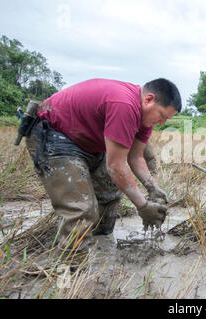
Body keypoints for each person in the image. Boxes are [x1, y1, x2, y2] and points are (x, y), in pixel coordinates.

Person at [25, 78, 181, 251]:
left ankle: (101, 252)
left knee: (109, 197)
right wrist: (143, 206)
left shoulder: (145, 117)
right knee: (80, 210)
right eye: (162, 116)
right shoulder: (124, 104)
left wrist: (152, 187)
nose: (162, 123)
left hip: (89, 142)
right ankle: (73, 268)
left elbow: (136, 157)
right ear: (149, 99)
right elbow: (116, 166)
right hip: (54, 133)